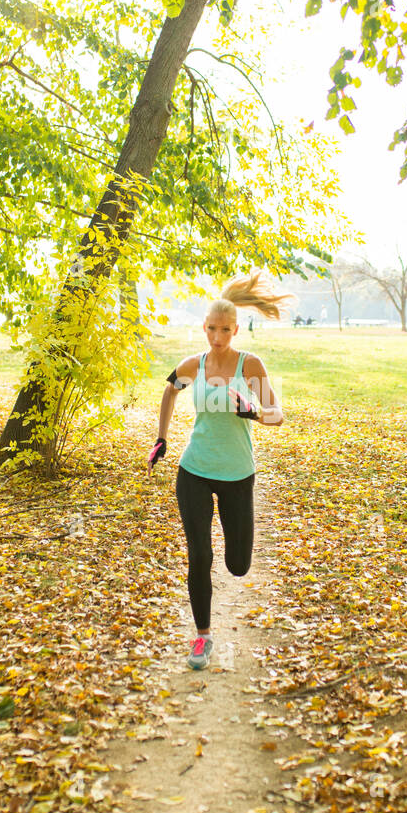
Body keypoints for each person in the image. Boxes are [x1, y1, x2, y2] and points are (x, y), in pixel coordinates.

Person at [145, 269, 291, 669]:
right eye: (212, 329)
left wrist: (253, 412)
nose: (217, 337)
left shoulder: (251, 365)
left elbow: (277, 415)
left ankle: (236, 557)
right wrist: (161, 438)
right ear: (204, 327)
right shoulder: (195, 364)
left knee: (237, 564)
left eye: (225, 330)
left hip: (238, 475)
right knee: (199, 555)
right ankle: (202, 637)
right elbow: (168, 390)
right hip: (194, 470)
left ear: (236, 329)